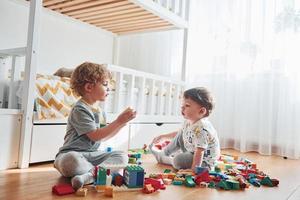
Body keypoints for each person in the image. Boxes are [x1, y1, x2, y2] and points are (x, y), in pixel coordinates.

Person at [54, 62, 136, 190]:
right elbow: (95, 136)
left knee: (121, 156)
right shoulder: (80, 109)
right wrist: (118, 121)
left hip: (92, 155)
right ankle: (97, 172)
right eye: (105, 84)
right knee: (71, 160)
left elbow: (103, 137)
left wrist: (121, 124)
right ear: (89, 87)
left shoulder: (100, 111)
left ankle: (88, 176)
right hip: (72, 154)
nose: (108, 88)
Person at [150, 87, 220, 171]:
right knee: (181, 133)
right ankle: (164, 153)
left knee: (177, 160)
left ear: (201, 111)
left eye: (187, 106)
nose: (182, 108)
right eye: (182, 106)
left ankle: (167, 160)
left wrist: (194, 170)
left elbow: (200, 151)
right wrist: (163, 136)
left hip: (203, 162)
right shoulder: (188, 121)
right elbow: (182, 133)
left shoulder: (202, 128)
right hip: (192, 151)